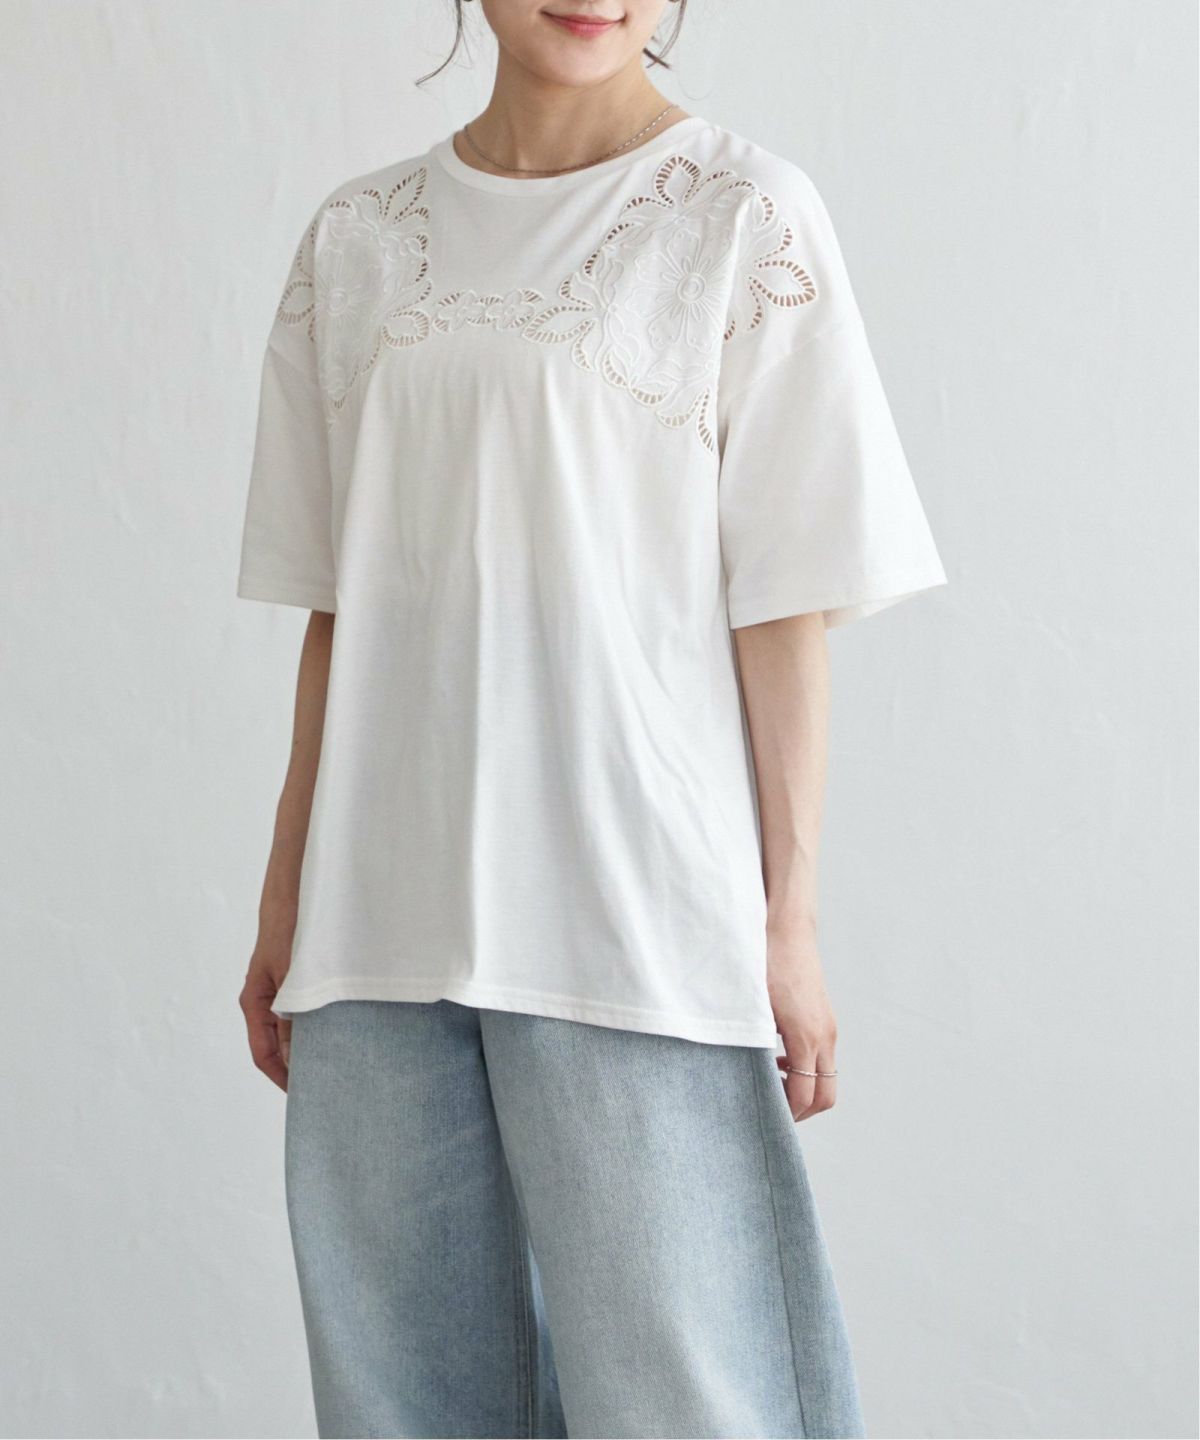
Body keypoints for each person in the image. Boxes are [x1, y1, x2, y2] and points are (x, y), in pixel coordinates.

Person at [235, 2, 947, 1435]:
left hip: (636, 918)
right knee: (402, 1404)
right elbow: (340, 606)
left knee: (697, 1399)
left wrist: (788, 925)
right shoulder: (358, 238)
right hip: (383, 923)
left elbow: (783, 606)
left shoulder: (741, 217)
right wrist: (285, 896)